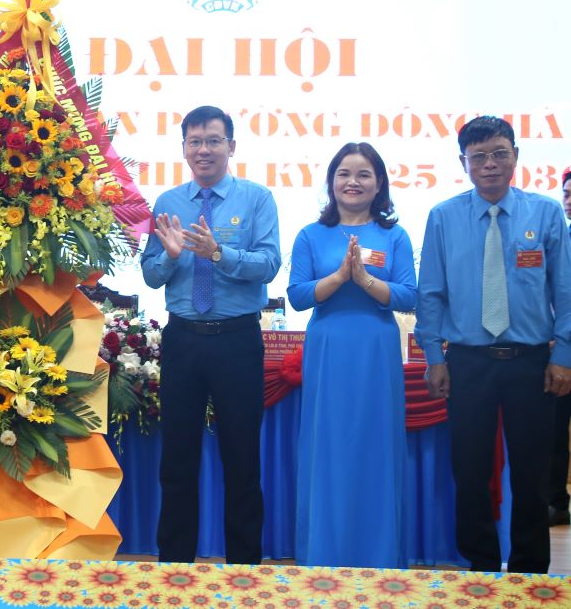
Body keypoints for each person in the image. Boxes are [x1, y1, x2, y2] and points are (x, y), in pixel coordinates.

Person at [418, 115, 571, 573]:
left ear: (516, 157)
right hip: (467, 362)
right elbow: (430, 294)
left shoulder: (544, 214)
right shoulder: (443, 216)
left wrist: (563, 354)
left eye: (499, 153)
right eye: (478, 156)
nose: (489, 164)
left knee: (532, 475)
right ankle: (480, 565)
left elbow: (564, 291)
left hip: (530, 363)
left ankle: (529, 571)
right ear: (463, 162)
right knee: (470, 470)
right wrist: (432, 356)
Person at [141, 105, 280, 564]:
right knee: (177, 461)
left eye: (213, 141)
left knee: (241, 460)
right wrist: (172, 257)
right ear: (184, 148)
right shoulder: (167, 203)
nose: (204, 150)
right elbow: (150, 275)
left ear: (231, 147)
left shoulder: (257, 199)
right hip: (183, 339)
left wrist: (221, 254)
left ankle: (245, 570)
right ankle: (173, 567)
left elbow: (269, 265)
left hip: (237, 340)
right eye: (195, 141)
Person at [286, 142, 417, 568]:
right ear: (331, 181)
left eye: (363, 175)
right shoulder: (312, 234)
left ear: (379, 183)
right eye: (344, 173)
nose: (353, 182)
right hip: (328, 348)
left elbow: (408, 294)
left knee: (374, 445)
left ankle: (378, 554)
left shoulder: (394, 235)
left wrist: (364, 281)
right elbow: (299, 296)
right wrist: (341, 275)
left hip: (376, 350)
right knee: (328, 447)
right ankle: (323, 553)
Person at [550, 167, 571, 526]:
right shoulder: (560, 236)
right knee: (553, 430)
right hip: (561, 348)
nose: (569, 200)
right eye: (566, 193)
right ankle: (556, 501)